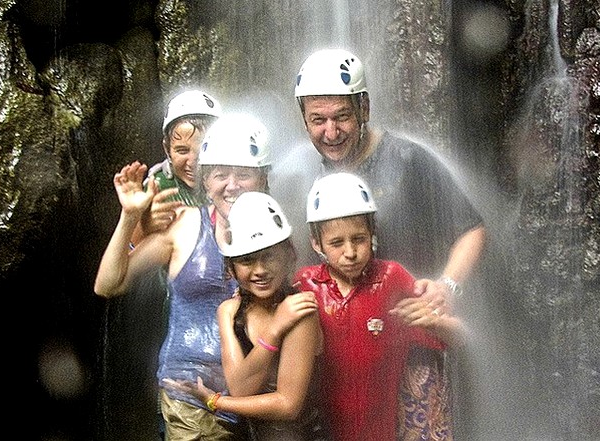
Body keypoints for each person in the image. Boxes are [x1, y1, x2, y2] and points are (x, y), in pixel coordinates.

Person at [280, 48, 487, 440]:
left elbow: (472, 229)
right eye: (317, 121)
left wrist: (448, 286)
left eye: (341, 117)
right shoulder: (300, 172)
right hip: (337, 346)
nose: (331, 132)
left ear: (364, 107)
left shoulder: (408, 161)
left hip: (410, 343)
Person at [94, 112, 284, 440]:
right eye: (220, 175)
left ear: (263, 177)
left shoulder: (280, 232)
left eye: (244, 174)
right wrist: (129, 217)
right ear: (206, 182)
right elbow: (109, 284)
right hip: (191, 399)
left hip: (259, 398)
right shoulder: (185, 225)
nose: (231, 185)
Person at [293, 172, 465, 441]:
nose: (350, 252)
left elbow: (460, 338)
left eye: (359, 239)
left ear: (372, 233)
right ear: (316, 243)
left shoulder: (390, 279)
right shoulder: (305, 284)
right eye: (336, 243)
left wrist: (434, 321)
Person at [165, 191, 329, 440]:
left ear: (289, 256)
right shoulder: (228, 312)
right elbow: (241, 388)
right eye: (247, 260)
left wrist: (215, 401)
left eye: (270, 256)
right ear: (231, 268)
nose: (260, 270)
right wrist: (274, 331)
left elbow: (288, 405)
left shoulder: (300, 310)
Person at [131, 89, 222, 245]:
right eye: (182, 150)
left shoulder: (230, 182)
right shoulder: (158, 189)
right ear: (167, 149)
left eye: (203, 150)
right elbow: (127, 261)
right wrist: (143, 229)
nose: (193, 162)